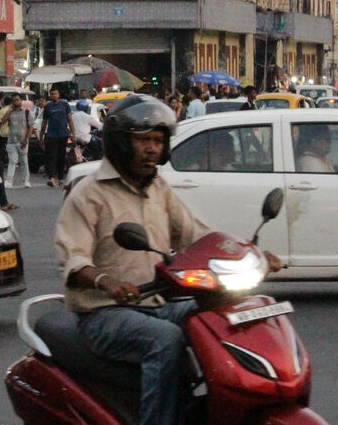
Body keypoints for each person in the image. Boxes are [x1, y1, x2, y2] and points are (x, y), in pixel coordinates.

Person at [55, 95, 280, 425]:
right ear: (120, 142)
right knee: (166, 340)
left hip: (158, 305)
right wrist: (107, 282)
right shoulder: (89, 194)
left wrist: (251, 254)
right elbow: (72, 257)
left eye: (158, 141)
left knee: (226, 315)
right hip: (104, 314)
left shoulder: (159, 188)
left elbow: (197, 234)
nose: (152, 149)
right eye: (143, 140)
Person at [40, 87, 76, 187]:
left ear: (59, 94)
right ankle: (51, 178)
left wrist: (74, 135)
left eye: (55, 93)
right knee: (52, 157)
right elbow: (44, 123)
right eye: (52, 94)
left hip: (63, 135)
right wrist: (41, 136)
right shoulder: (48, 107)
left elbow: (70, 120)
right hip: (51, 135)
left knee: (61, 157)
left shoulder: (64, 105)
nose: (54, 95)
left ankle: (60, 178)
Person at [3, 92, 34, 188]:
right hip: (11, 141)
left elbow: (30, 127)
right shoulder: (10, 112)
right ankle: (9, 181)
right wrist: (8, 111)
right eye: (14, 100)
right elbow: (2, 121)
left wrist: (27, 139)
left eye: (17, 100)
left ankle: (26, 181)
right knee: (12, 162)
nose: (16, 102)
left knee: (24, 162)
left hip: (23, 141)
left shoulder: (27, 112)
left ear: (21, 101)